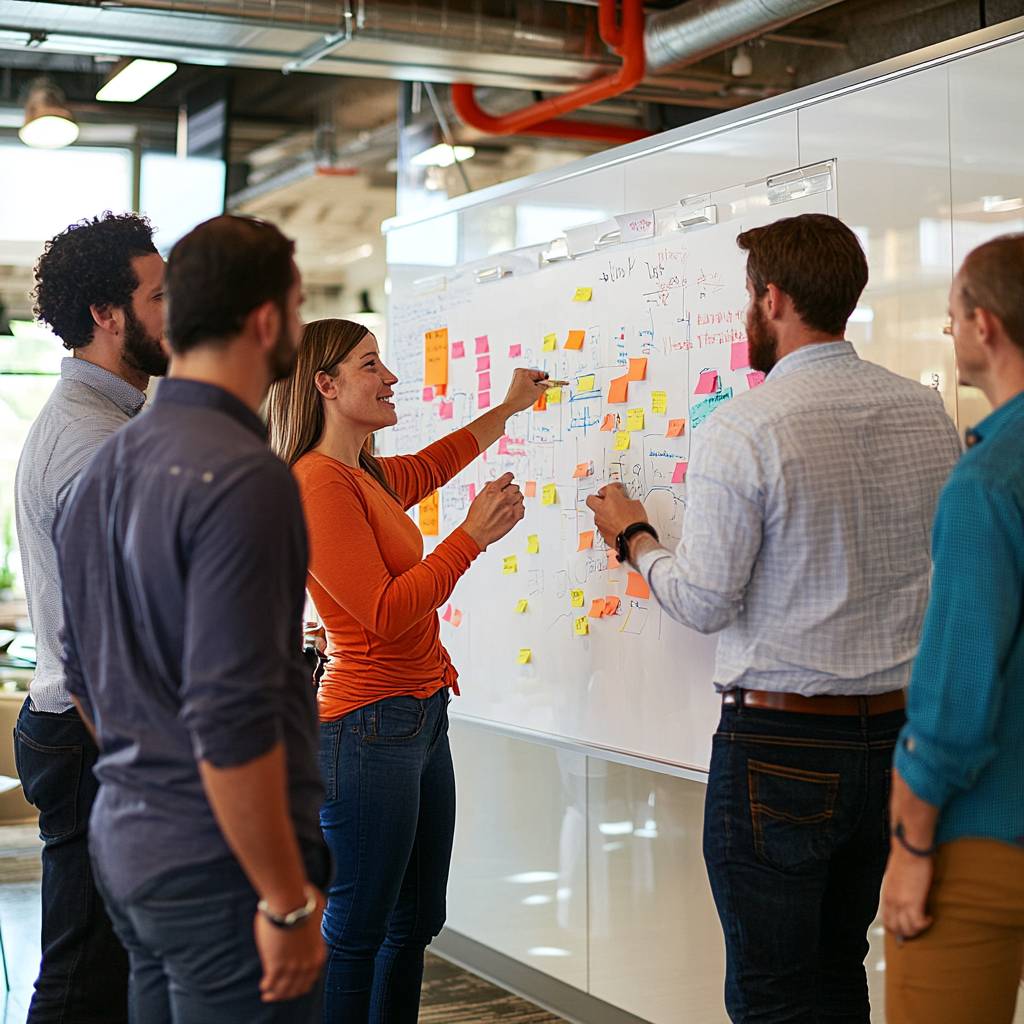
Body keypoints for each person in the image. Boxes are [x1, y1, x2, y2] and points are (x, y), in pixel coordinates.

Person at [586, 213, 962, 1023]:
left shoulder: (746, 428)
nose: (744, 315)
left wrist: (635, 538)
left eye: (748, 297)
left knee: (772, 990)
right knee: (838, 967)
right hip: (899, 742)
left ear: (775, 299)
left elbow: (703, 599)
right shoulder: (925, 414)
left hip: (781, 752)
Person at [54, 215, 327, 1023]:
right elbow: (231, 717)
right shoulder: (244, 475)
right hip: (225, 873)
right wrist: (284, 900)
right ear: (269, 319)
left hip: (131, 843)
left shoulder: (109, 460)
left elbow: (82, 669)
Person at [267, 319, 551, 1022]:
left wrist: (509, 408)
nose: (390, 377)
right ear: (325, 386)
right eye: (371, 365)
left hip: (419, 715)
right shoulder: (315, 483)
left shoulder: (361, 473)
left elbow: (430, 466)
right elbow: (384, 612)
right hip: (367, 728)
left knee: (415, 920)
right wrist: (471, 538)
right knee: (359, 933)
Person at [13, 212, 167, 1024]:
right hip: (95, 736)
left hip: (92, 731)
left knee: (110, 972)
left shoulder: (116, 422)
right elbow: (90, 637)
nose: (177, 312)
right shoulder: (91, 439)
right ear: (109, 315)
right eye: (159, 296)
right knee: (85, 981)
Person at [882, 234, 1024, 1024]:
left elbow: (958, 692)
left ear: (987, 327)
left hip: (988, 838)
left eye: (952, 317)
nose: (949, 333)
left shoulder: (989, 481)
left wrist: (911, 845)